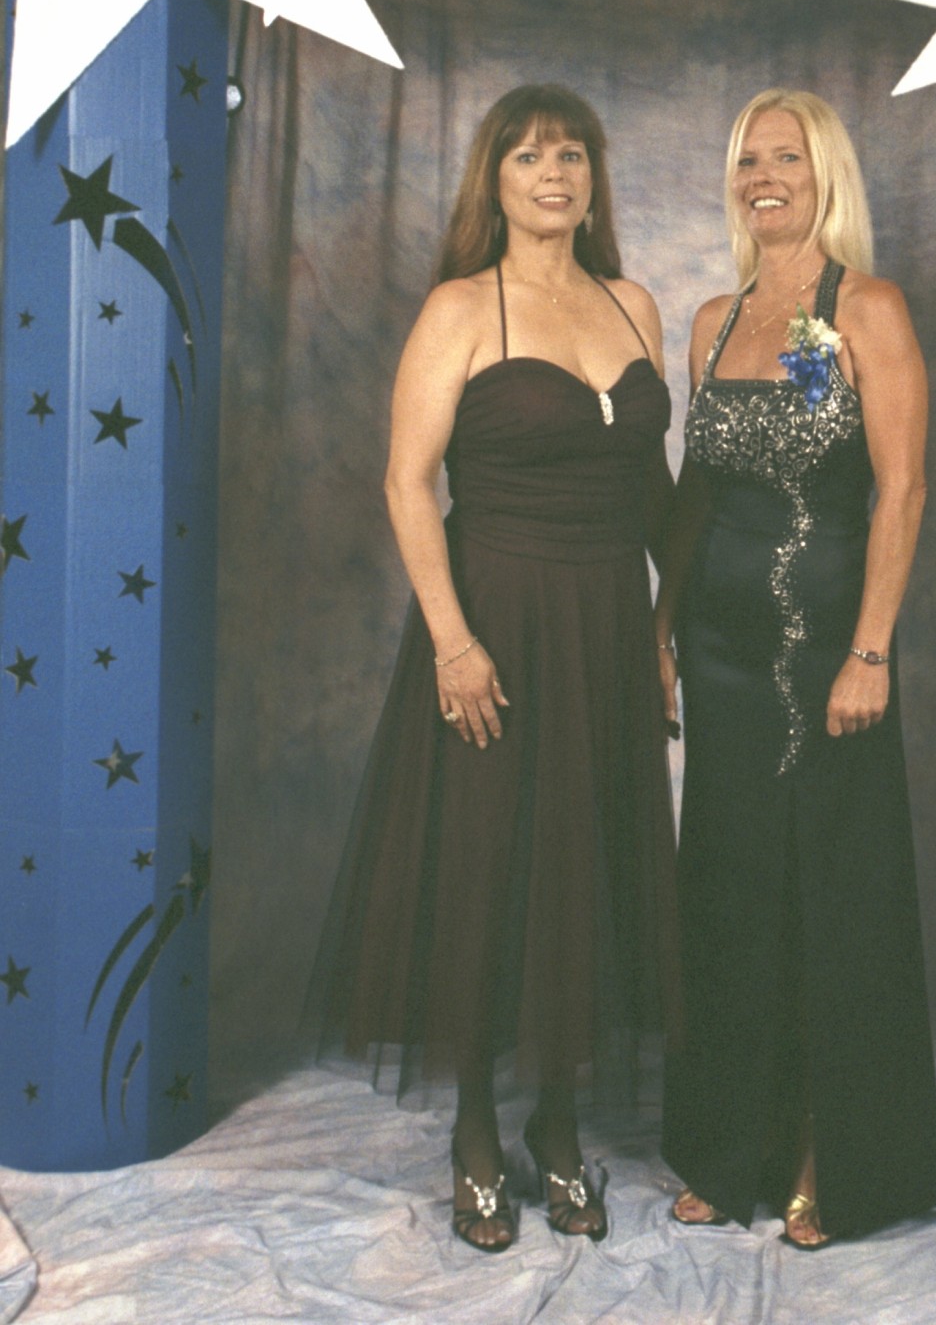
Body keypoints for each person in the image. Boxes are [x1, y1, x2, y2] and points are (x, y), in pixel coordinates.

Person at [312, 84, 680, 1252]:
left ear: (593, 177)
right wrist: (453, 639)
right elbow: (405, 480)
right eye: (528, 155)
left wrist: (668, 626)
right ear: (496, 179)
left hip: (609, 620)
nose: (553, 173)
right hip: (496, 622)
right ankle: (476, 1128)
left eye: (572, 153)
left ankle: (558, 1124)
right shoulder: (462, 306)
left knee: (586, 856)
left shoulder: (634, 302)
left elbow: (655, 491)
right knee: (488, 865)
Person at [656, 88, 936, 1249]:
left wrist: (871, 647)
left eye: (786, 156)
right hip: (720, 655)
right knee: (730, 893)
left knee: (834, 895)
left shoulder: (865, 308)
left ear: (825, 174)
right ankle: (732, 1148)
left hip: (829, 646)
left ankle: (838, 1156)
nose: (763, 177)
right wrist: (660, 631)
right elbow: (696, 496)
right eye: (747, 159)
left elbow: (902, 488)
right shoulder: (714, 318)